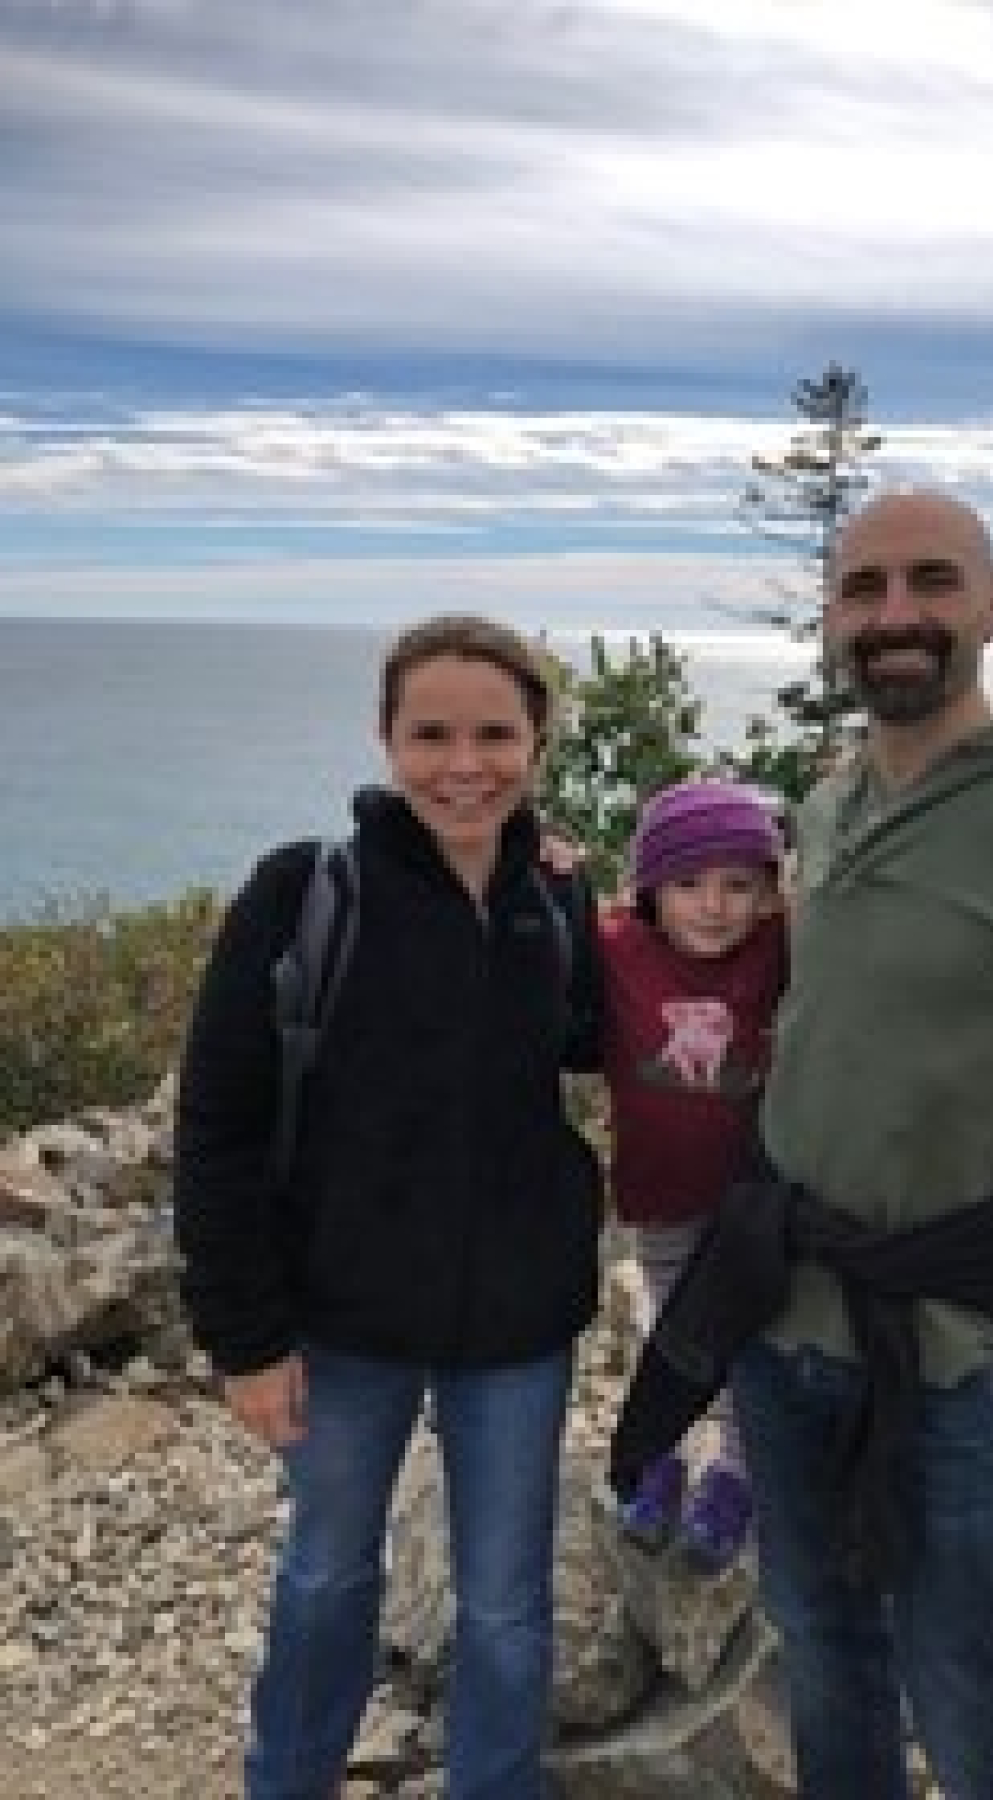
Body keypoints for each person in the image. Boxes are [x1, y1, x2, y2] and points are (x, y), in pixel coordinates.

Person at [614, 490, 993, 1798]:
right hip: (779, 1322)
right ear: (833, 622)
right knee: (826, 1661)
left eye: (931, 583)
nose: (894, 616)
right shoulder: (828, 806)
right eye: (862, 589)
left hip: (939, 1352)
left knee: (967, 1704)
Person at [172, 615, 604, 1800]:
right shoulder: (306, 895)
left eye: (495, 735)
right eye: (431, 734)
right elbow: (216, 1127)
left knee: (510, 1605)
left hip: (516, 1325)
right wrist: (246, 1339)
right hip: (340, 1315)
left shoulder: (558, 902)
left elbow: (600, 1040)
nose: (464, 764)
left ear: (538, 741)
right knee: (324, 1580)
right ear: (384, 738)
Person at [601, 777, 786, 1569]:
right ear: (651, 888)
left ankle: (739, 1474)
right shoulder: (615, 947)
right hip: (660, 1194)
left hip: (754, 1203)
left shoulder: (778, 950)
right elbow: (538, 918)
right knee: (675, 1333)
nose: (714, 906)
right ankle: (660, 1450)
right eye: (688, 884)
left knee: (754, 1343)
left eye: (739, 885)